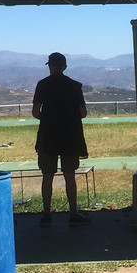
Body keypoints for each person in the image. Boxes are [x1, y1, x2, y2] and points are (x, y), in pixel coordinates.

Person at [32, 52, 89, 227]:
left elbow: (35, 112)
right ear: (64, 67)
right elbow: (83, 113)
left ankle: (47, 214)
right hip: (70, 136)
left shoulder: (42, 85)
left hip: (48, 135)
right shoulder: (74, 86)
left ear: (50, 66)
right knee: (70, 175)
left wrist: (50, 119)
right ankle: (73, 213)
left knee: (47, 175)